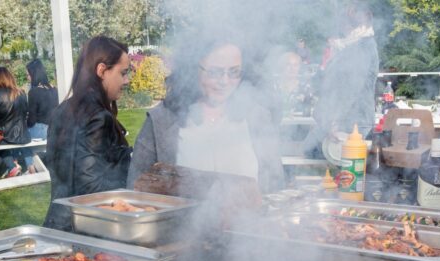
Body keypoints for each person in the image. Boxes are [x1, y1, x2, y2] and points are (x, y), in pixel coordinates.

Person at [128, 35, 284, 194]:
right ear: (191, 69)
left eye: (234, 72)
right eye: (214, 72)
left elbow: (276, 183)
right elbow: (136, 188)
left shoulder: (257, 117)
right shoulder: (161, 121)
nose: (224, 81)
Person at [43, 36, 132, 231]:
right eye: (123, 73)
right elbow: (91, 190)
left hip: (55, 225)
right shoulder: (99, 117)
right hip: (87, 232)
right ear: (102, 70)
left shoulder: (61, 110)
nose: (126, 80)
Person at [302, 1, 378, 157]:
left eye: (343, 20)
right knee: (310, 153)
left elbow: (351, 88)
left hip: (350, 123)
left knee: (316, 155)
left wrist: (334, 121)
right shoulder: (350, 46)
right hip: (341, 119)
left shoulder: (361, 47)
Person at [0, 67, 30, 181]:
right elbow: (26, 113)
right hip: (24, 136)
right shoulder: (22, 93)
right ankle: (11, 167)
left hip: (5, 137)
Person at [24, 59, 58, 173]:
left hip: (40, 130)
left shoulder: (33, 92)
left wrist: (24, 123)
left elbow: (32, 120)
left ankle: (31, 167)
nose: (27, 77)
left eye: (28, 74)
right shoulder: (54, 89)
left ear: (34, 74)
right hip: (54, 129)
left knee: (20, 135)